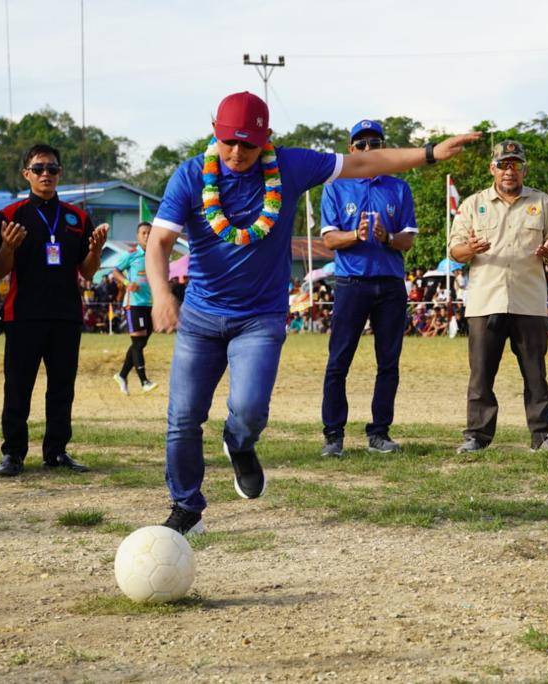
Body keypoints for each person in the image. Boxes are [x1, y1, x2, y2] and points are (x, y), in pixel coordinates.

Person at [144, 91, 479, 534]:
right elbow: (160, 243)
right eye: (228, 143)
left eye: (248, 144)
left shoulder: (289, 166)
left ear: (266, 139)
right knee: (183, 418)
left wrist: (430, 154)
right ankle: (186, 507)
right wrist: (162, 294)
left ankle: (240, 443)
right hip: (201, 317)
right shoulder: (189, 176)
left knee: (249, 410)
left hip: (259, 318)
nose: (237, 153)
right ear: (214, 133)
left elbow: (363, 164)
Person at [0, 144, 109, 477]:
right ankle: (13, 453)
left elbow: (86, 272)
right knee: (18, 387)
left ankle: (56, 451)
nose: (46, 175)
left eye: (52, 169)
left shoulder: (77, 217)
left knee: (62, 388)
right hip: (23, 316)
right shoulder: (11, 215)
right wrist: (9, 247)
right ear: (26, 173)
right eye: (39, 168)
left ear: (60, 173)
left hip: (66, 316)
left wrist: (96, 251)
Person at [448, 140, 548, 454]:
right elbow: (455, 250)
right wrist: (470, 249)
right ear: (492, 168)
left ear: (524, 168)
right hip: (486, 301)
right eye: (503, 164)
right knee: (481, 374)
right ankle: (476, 436)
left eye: (515, 164)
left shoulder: (542, 202)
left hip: (529, 301)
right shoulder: (473, 204)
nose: (509, 170)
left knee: (535, 374)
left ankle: (543, 435)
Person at [318, 120, 417, 457]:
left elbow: (409, 240)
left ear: (383, 148)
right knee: (339, 361)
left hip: (390, 284)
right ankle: (333, 435)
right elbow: (330, 239)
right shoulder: (335, 186)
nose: (368, 150)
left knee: (388, 362)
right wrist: (355, 236)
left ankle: (379, 433)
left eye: (375, 144)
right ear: (351, 149)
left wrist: (387, 238)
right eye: (361, 144)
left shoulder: (399, 188)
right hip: (351, 283)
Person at [112, 222, 158, 394]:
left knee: (141, 343)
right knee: (138, 342)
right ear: (138, 236)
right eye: (144, 233)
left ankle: (122, 375)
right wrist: (127, 283)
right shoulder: (131, 254)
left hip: (150, 304)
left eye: (149, 233)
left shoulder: (156, 254)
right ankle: (144, 381)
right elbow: (115, 271)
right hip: (134, 304)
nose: (147, 236)